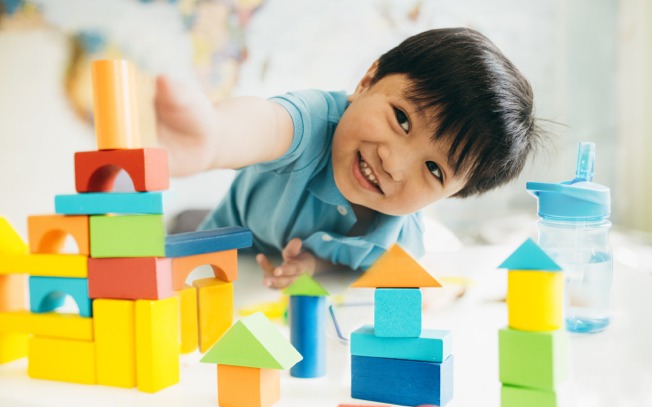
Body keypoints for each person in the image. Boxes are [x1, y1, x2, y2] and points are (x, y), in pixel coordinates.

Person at [155, 27, 544, 288]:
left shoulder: (400, 241)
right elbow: (267, 125)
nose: (393, 163)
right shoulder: (315, 122)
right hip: (222, 235)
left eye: (433, 169)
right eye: (402, 119)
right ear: (366, 82)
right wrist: (215, 136)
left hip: (273, 268)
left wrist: (313, 264)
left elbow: (358, 264)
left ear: (449, 196)